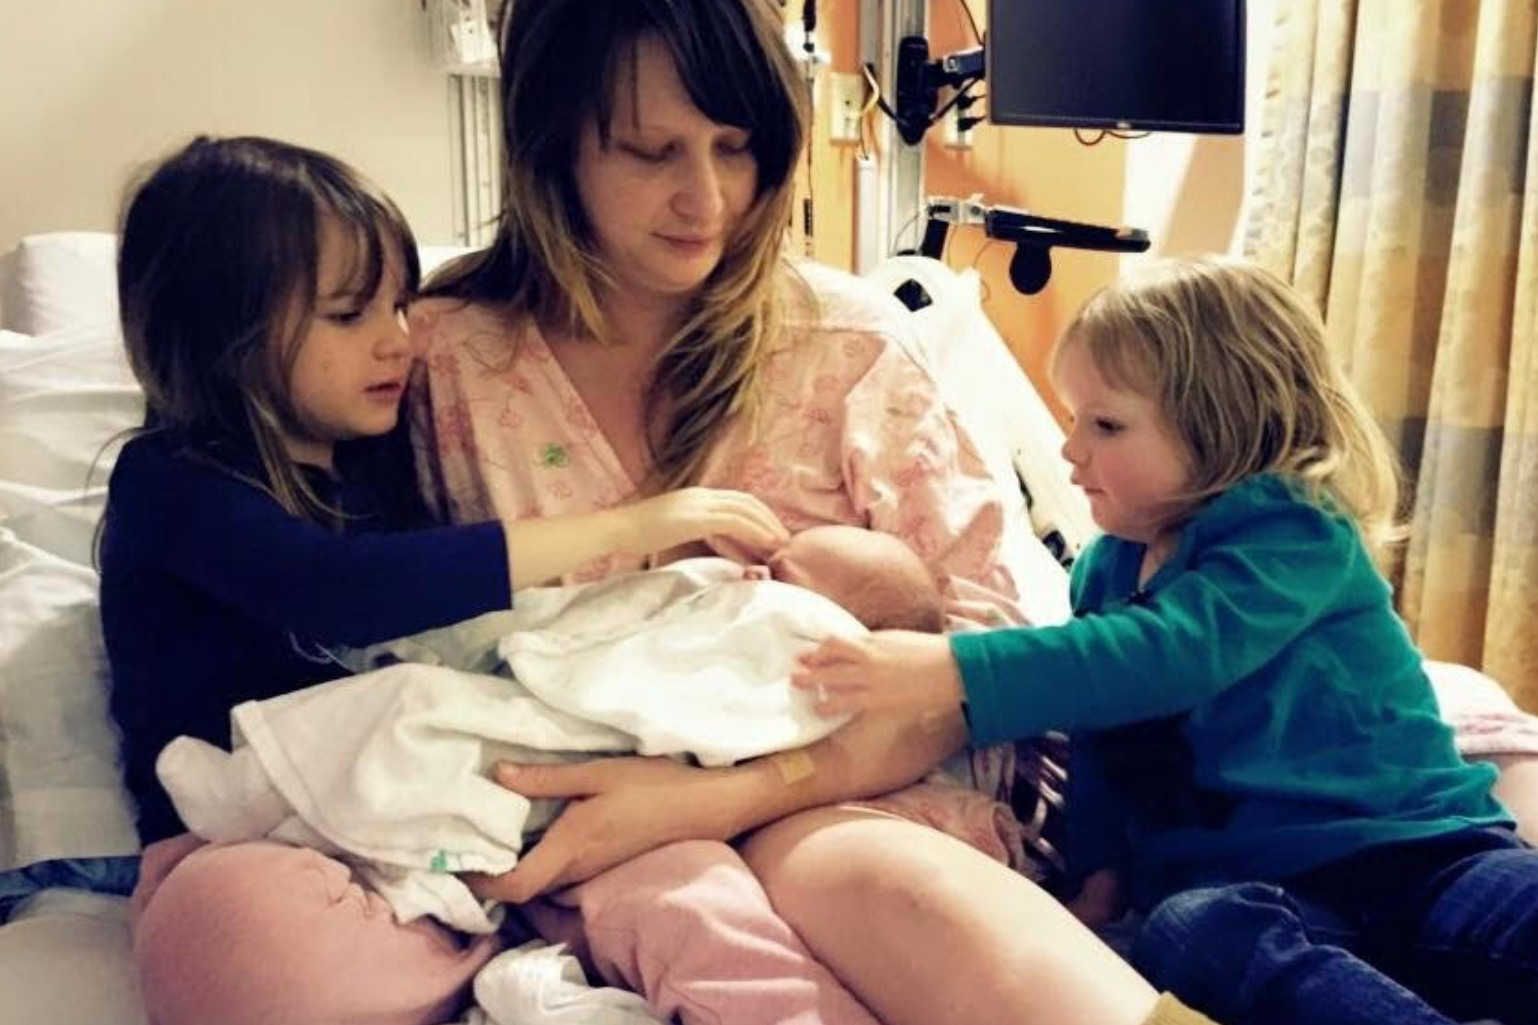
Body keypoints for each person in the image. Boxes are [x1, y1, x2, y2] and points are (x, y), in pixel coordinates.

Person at [403, 3, 1220, 1025]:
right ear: (550, 143)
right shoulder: (441, 359)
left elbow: (990, 665)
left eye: (735, 147)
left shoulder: (847, 344)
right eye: (651, 151)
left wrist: (727, 795)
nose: (705, 198)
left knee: (883, 882)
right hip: (545, 813)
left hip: (832, 792)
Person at [99, 133, 797, 1025]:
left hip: (444, 823)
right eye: (350, 315)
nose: (399, 340)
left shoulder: (381, 465)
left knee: (687, 882)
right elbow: (340, 592)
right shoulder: (169, 482)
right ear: (218, 336)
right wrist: (633, 524)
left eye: (399, 305)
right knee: (230, 933)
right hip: (268, 843)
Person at [792, 255, 1538, 1025]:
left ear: (1221, 427)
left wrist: (950, 666)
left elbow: (1170, 653)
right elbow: (1103, 732)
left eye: (1106, 425)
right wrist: (1102, 872)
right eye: (1074, 419)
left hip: (1417, 850)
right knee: (1189, 933)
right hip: (1258, 889)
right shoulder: (1105, 569)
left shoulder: (1294, 530)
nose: (1070, 450)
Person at [153, 524, 952, 936]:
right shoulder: (448, 356)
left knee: (421, 719)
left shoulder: (809, 645)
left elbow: (951, 688)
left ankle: (257, 796)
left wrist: (728, 786)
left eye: (784, 576)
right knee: (420, 716)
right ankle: (287, 814)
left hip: (618, 759)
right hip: (562, 731)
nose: (755, 575)